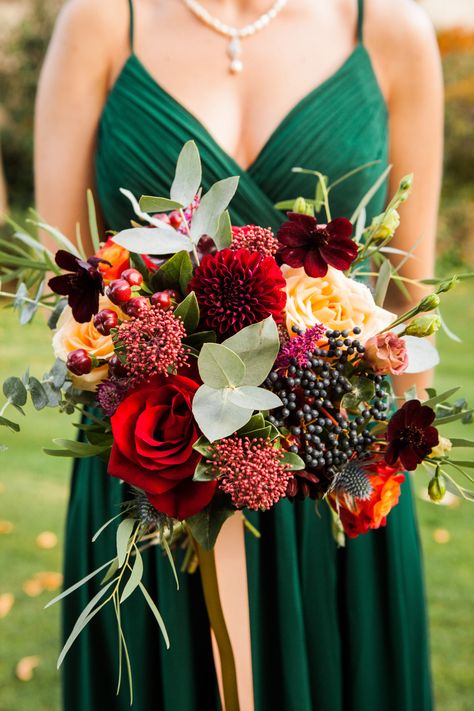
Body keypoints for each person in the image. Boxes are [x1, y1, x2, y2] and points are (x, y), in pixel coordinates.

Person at [34, 0, 443, 709]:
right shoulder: (101, 22)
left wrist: (369, 465)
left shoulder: (390, 31)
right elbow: (65, 281)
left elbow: (411, 300)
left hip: (332, 479)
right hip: (153, 480)